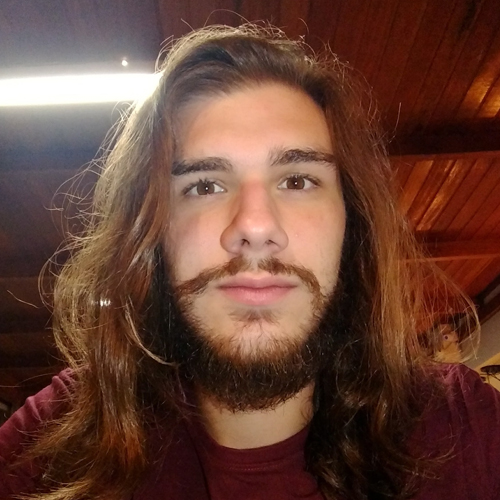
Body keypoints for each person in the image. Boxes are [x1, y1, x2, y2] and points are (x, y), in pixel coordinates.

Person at [1, 24, 499, 500]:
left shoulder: (465, 428)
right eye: (204, 185)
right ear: (151, 233)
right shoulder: (55, 437)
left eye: (298, 181)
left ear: (353, 223)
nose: (256, 226)